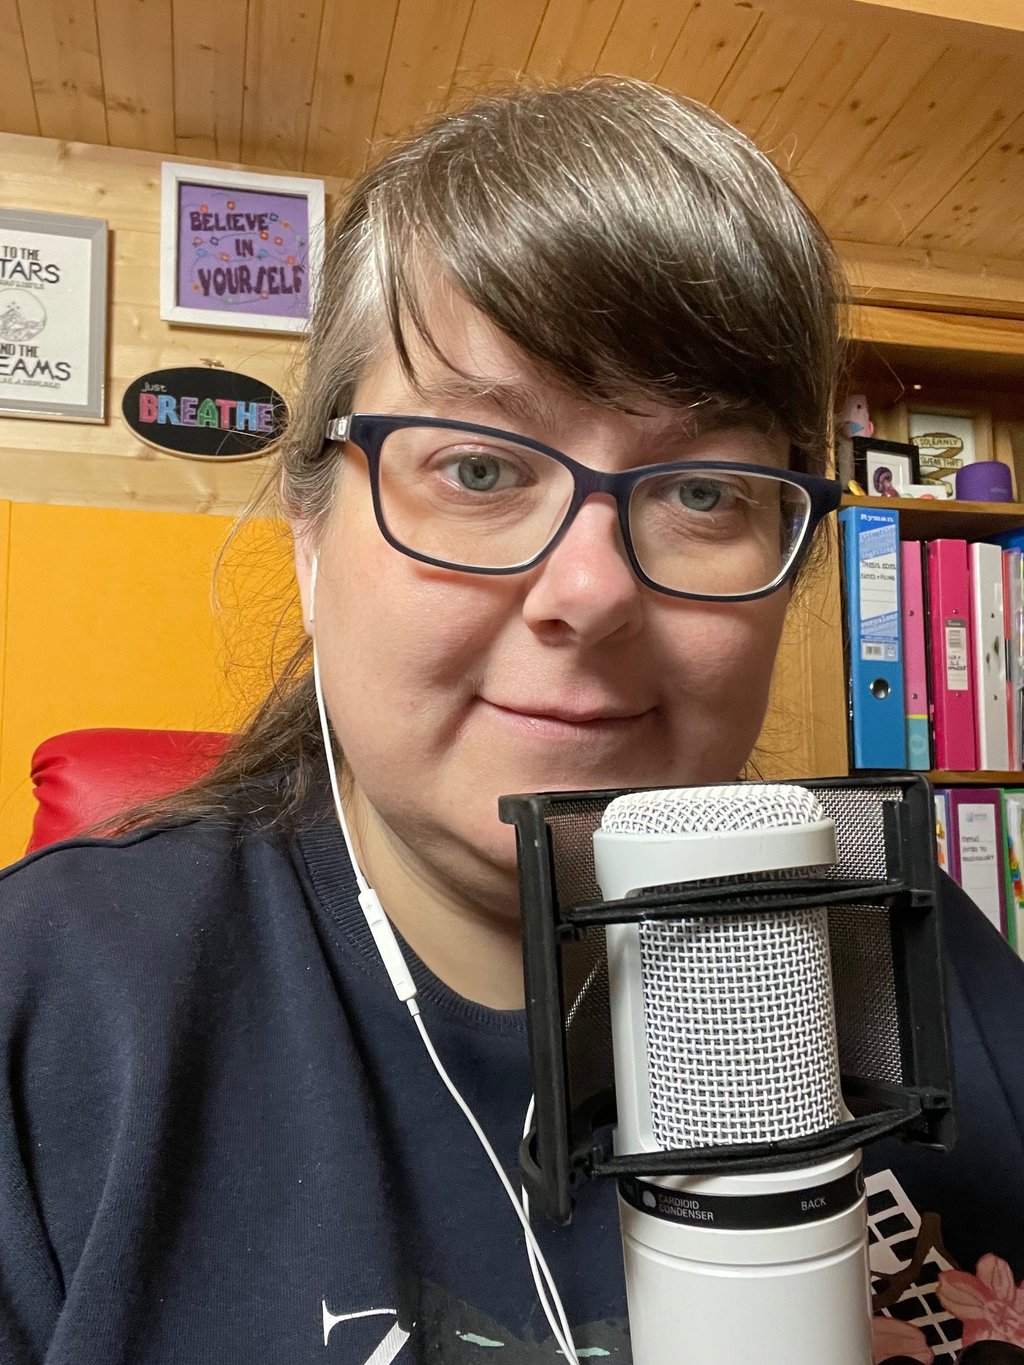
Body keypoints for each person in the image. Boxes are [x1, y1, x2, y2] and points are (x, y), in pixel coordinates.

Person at [0, 78, 1022, 1365]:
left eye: (704, 491)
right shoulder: (45, 1010)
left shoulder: (930, 959)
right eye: (476, 468)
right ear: (312, 535)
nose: (591, 593)